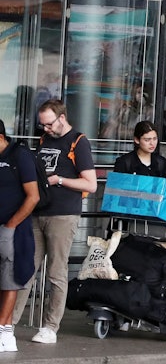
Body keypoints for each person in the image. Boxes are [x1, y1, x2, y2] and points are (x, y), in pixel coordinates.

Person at [13, 99, 97, 344]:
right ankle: (8, 323)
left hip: (63, 213)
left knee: (56, 272)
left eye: (49, 124)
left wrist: (59, 180)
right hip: (38, 211)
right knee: (24, 269)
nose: (46, 129)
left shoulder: (78, 142)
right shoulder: (44, 140)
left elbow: (90, 184)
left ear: (62, 118)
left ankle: (50, 326)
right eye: (42, 125)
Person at [0, 119, 40, 352]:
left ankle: (5, 332)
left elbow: (33, 196)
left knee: (10, 279)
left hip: (13, 228)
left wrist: (11, 225)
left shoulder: (19, 155)